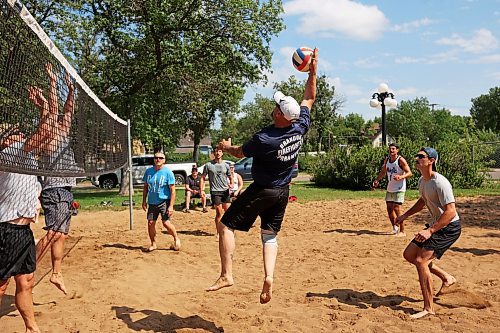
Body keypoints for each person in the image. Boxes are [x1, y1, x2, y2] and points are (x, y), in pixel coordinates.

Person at [206, 48, 318, 304]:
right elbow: (309, 98)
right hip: (282, 192)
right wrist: (313, 71)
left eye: (277, 106)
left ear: (280, 115)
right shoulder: (299, 127)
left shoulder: (265, 138)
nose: (274, 106)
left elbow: (239, 153)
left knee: (225, 225)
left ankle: (226, 275)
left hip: (263, 189)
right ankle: (268, 276)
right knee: (269, 236)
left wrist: (224, 146)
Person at [0, 66, 60, 332]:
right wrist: (46, 101)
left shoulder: (22, 153)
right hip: (6, 229)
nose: (20, 133)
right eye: (15, 131)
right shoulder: (11, 152)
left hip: (22, 230)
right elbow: (46, 128)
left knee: (26, 281)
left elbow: (49, 129)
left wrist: (45, 106)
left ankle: (31, 327)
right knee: (2, 284)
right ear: (7, 139)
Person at [396, 147, 461, 319]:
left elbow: (451, 212)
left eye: (421, 156)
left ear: (431, 161)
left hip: (448, 227)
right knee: (409, 254)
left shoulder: (441, 182)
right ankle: (447, 278)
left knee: (421, 260)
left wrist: (430, 231)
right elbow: (423, 201)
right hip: (436, 226)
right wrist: (405, 215)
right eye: (416, 155)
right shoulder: (422, 181)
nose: (417, 158)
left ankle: (429, 308)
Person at [35, 63, 77, 295]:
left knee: (60, 234)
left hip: (65, 190)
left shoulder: (62, 131)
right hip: (54, 190)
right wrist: (53, 82)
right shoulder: (50, 133)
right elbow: (53, 109)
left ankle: (56, 273)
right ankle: (26, 266)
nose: (63, 118)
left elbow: (68, 111)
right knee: (53, 233)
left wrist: (71, 90)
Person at [141, 151, 180, 252]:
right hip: (152, 202)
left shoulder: (168, 173)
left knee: (166, 223)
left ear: (164, 160)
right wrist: (144, 201)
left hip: (164, 202)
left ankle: (176, 238)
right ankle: (153, 243)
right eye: (156, 158)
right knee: (150, 223)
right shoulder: (149, 171)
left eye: (160, 158)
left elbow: (173, 191)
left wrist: (171, 206)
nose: (158, 160)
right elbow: (145, 187)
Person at [372, 143, 412, 236]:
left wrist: (401, 177)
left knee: (397, 208)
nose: (391, 150)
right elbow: (383, 171)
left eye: (393, 149)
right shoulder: (387, 160)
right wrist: (377, 180)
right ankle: (395, 227)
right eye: (390, 149)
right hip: (390, 187)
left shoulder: (400, 160)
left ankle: (402, 231)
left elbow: (409, 173)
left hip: (399, 188)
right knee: (389, 209)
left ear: (397, 150)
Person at [200, 148, 233, 235]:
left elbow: (230, 176)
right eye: (216, 151)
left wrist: (231, 183)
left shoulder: (226, 165)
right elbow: (203, 177)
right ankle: (219, 232)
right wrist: (201, 189)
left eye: (219, 151)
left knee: (229, 212)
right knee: (219, 212)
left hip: (225, 191)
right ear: (213, 153)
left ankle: (228, 230)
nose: (218, 153)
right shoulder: (208, 165)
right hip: (215, 191)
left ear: (222, 153)